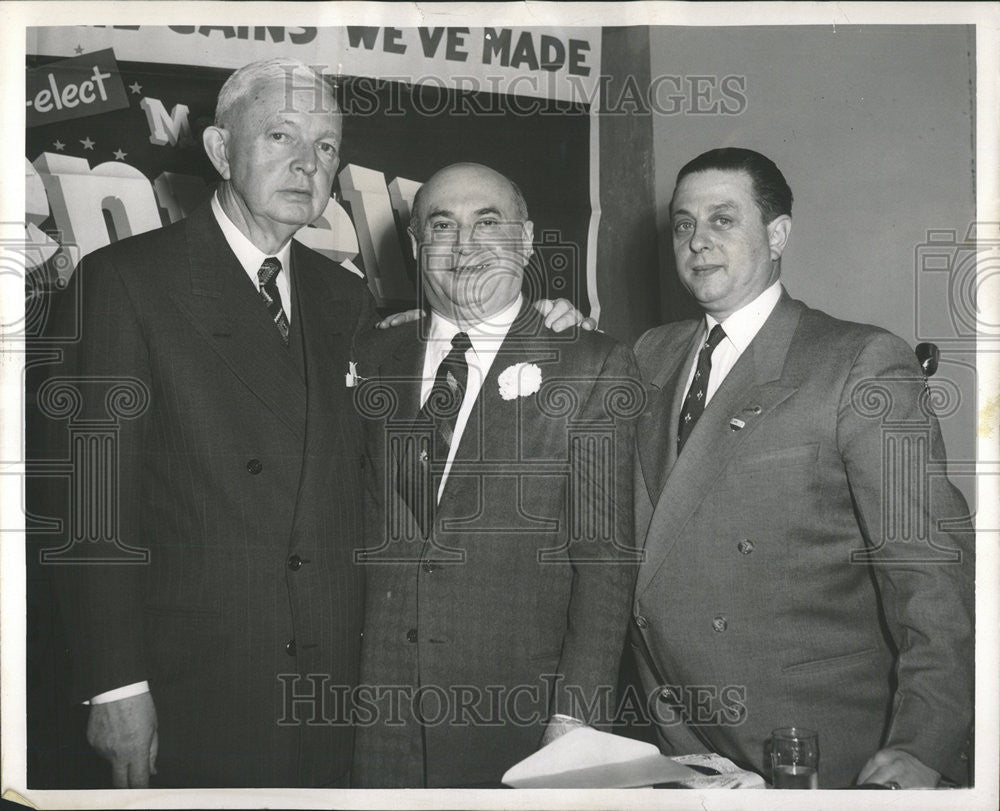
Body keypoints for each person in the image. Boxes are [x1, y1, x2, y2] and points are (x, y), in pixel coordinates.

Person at [41, 57, 590, 788]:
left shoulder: (345, 299)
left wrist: (543, 327)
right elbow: (89, 506)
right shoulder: (123, 283)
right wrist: (115, 684)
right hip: (196, 680)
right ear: (217, 150)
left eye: (328, 147)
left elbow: (449, 355)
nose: (309, 164)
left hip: (338, 686)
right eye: (281, 136)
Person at [630, 148, 974, 789]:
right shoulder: (651, 355)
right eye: (683, 224)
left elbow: (931, 570)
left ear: (778, 233)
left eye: (723, 219)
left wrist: (925, 744)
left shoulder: (859, 361)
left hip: (814, 746)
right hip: (682, 745)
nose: (698, 242)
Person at [351, 163, 640, 788]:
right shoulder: (373, 356)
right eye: (442, 226)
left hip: (518, 719)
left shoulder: (591, 365)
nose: (464, 246)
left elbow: (606, 563)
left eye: (488, 223)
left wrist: (575, 720)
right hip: (376, 715)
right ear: (415, 247)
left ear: (527, 239)